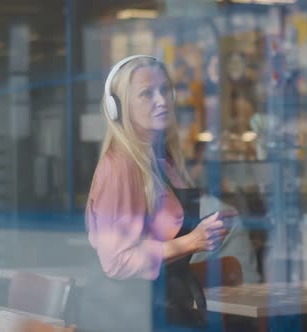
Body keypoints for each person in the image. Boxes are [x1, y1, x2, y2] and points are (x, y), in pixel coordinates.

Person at [76, 55, 232, 331]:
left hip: (166, 306)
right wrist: (193, 241)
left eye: (164, 91)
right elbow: (117, 262)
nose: (162, 101)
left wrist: (209, 232)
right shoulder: (120, 166)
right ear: (118, 108)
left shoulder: (163, 161)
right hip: (128, 316)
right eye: (147, 93)